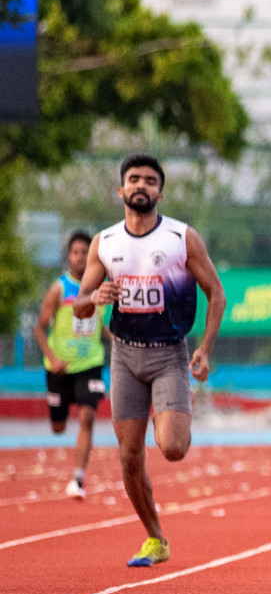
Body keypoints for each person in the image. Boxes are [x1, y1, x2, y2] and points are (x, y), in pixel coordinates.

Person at [75, 155, 225, 566]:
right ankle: (155, 537)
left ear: (160, 192)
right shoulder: (105, 243)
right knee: (129, 455)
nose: (142, 185)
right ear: (121, 190)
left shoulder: (181, 238)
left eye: (150, 181)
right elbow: (80, 308)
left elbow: (217, 293)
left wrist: (205, 349)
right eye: (134, 179)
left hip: (169, 354)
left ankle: (171, 409)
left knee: (173, 448)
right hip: (124, 356)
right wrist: (95, 298)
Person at [35, 231, 108, 499]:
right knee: (58, 427)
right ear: (69, 255)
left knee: (87, 417)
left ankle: (77, 478)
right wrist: (52, 359)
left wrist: (122, 339)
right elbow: (39, 329)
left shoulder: (101, 289)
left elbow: (103, 328)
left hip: (90, 363)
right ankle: (57, 412)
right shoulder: (60, 288)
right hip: (60, 367)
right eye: (75, 252)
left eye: (84, 253)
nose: (80, 257)